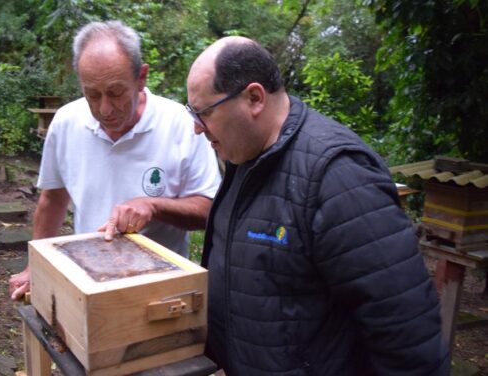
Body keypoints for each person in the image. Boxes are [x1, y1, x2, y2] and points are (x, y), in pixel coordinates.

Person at [186, 36, 450, 375]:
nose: (196, 127)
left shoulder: (339, 176)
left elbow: (408, 336)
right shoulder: (245, 156)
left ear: (254, 98)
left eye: (204, 112)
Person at [9, 21, 221, 301]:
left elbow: (210, 210)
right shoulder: (66, 122)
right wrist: (35, 265)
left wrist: (153, 206)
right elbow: (53, 199)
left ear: (141, 77)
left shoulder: (182, 125)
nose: (104, 109)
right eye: (92, 95)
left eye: (116, 92)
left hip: (160, 291)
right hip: (87, 283)